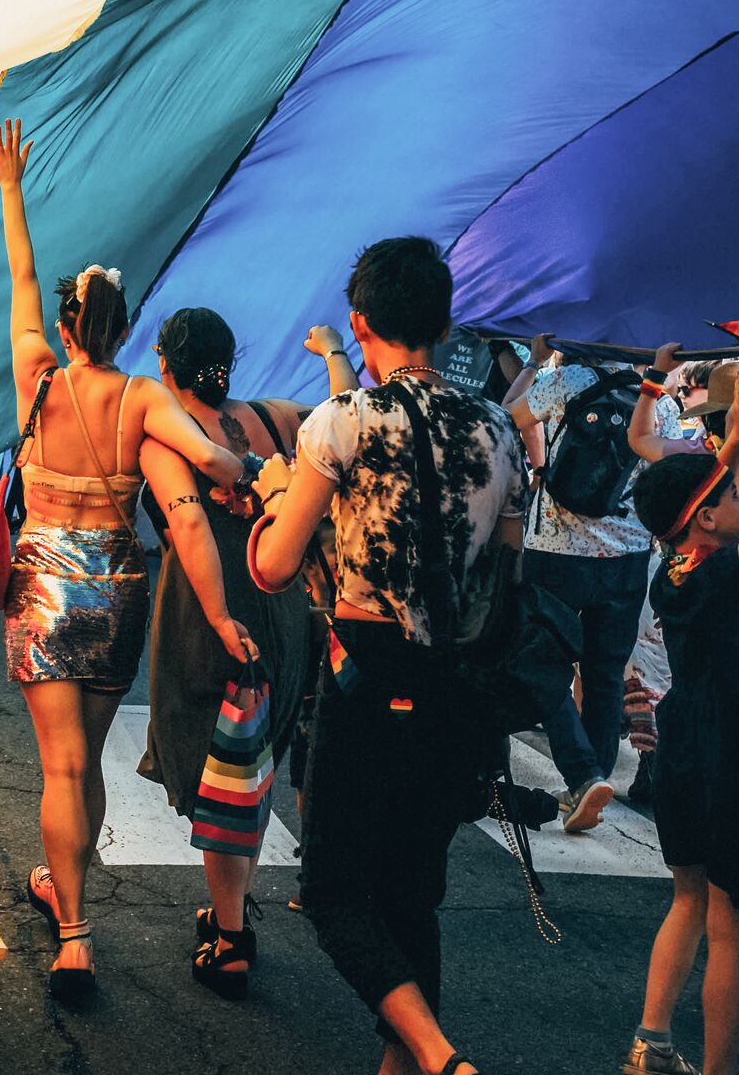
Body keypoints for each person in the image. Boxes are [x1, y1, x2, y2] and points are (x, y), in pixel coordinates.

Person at [251, 237, 529, 1075]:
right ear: (444, 324)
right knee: (413, 897)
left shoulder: (344, 422)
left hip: (368, 675)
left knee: (335, 892)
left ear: (359, 323)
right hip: (459, 686)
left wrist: (273, 499)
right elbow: (509, 567)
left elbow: (273, 565)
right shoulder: (498, 432)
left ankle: (442, 1057)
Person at [0, 118, 244, 996]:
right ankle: (67, 892)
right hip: (117, 587)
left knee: (56, 767)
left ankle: (74, 933)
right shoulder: (139, 397)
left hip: (46, 580)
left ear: (67, 322)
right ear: (127, 327)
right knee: (83, 763)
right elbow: (209, 460)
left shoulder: (37, 375)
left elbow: (18, 275)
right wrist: (255, 474)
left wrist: (12, 188)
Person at [618, 343, 739, 1075]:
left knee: (689, 901)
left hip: (687, 742)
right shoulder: (726, 578)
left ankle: (651, 1041)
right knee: (732, 925)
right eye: (730, 498)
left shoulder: (677, 572)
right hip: (734, 749)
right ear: (709, 523)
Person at [139, 307, 314, 999]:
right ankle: (228, 906)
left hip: (208, 611)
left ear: (165, 365)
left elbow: (185, 521)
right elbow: (344, 417)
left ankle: (231, 934)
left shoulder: (166, 437)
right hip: (281, 601)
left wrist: (215, 616)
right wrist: (332, 354)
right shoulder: (277, 420)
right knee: (253, 758)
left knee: (216, 763)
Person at [506, 334, 683, 832]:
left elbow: (511, 418)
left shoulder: (567, 379)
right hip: (626, 556)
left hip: (556, 551)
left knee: (546, 666)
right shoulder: (659, 398)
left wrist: (536, 364)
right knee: (604, 677)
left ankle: (583, 777)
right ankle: (595, 781)